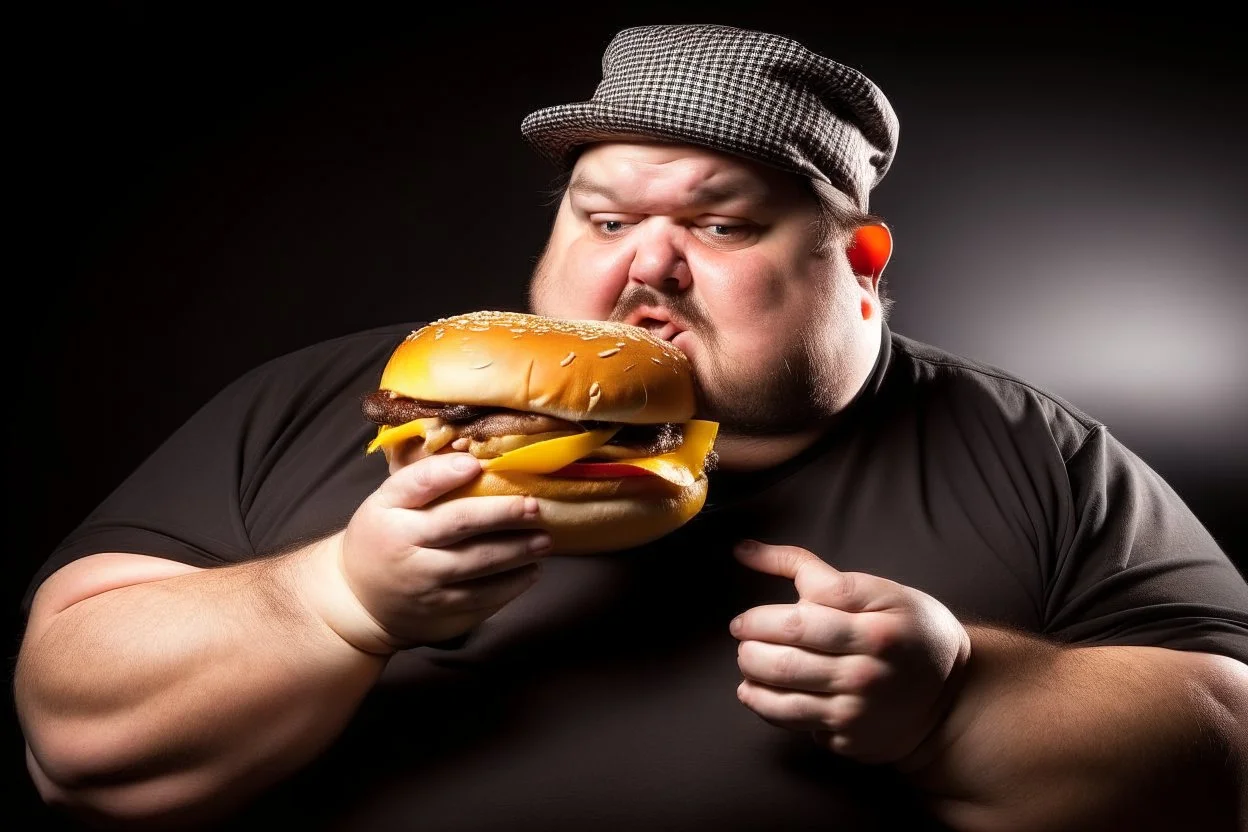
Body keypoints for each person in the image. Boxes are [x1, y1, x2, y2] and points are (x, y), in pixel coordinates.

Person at [15, 22, 1248, 832]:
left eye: (719, 224)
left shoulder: (1037, 449)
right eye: (605, 221)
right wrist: (333, 600)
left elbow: (1226, 753)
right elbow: (70, 740)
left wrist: (962, 699)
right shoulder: (340, 393)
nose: (643, 271)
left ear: (860, 263)